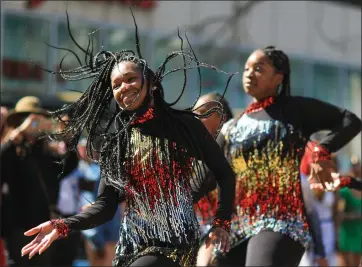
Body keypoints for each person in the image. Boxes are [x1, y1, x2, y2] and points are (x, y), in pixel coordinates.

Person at [20, 11, 236, 267]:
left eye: (131, 79)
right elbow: (105, 205)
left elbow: (224, 173)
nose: (124, 88)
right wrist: (65, 225)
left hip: (174, 243)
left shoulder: (183, 126)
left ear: (151, 84)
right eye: (117, 85)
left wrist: (222, 222)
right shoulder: (116, 142)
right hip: (132, 244)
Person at [213, 46, 362, 267]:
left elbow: (350, 121)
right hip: (238, 226)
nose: (249, 73)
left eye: (259, 68)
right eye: (246, 68)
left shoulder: (294, 110)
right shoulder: (232, 127)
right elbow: (208, 175)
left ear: (278, 77)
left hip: (282, 222)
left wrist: (322, 151)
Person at [0, 96, 77, 266]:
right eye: (28, 118)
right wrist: (18, 134)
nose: (33, 124)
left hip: (43, 225)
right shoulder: (11, 150)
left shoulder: (45, 152)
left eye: (37, 119)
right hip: (17, 226)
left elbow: (68, 167)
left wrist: (68, 137)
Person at [192, 92, 234, 267]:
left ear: (222, 117)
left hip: (231, 232)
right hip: (198, 235)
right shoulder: (193, 153)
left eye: (202, 112)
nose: (195, 118)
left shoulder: (232, 150)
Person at [338, 157, 362, 267]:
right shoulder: (345, 191)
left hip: (359, 231)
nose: (356, 168)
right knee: (346, 263)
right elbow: (339, 214)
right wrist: (352, 216)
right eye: (354, 166)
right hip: (347, 231)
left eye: (358, 165)